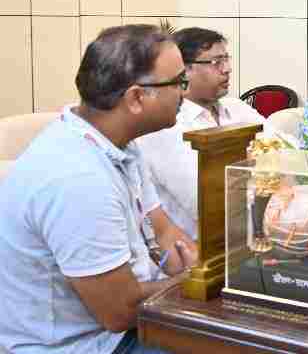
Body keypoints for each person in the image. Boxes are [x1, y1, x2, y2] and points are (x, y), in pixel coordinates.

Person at [0, 25, 198, 354]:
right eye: (178, 82)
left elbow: (164, 233)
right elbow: (120, 312)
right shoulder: (78, 179)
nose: (184, 93)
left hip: (123, 323)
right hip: (86, 344)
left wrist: (192, 269)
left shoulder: (118, 144)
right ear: (136, 98)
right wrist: (190, 283)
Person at [135, 28, 264, 239]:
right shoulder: (165, 125)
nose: (227, 69)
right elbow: (204, 201)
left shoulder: (236, 107)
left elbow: (287, 151)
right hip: (195, 248)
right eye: (216, 62)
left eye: (226, 59)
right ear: (184, 70)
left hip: (249, 231)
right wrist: (263, 174)